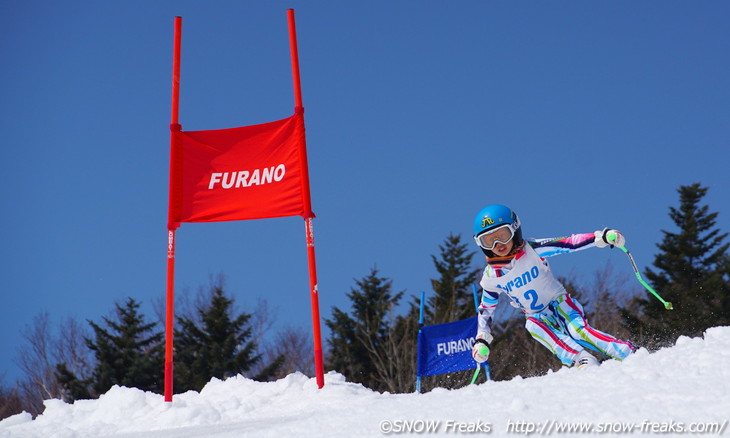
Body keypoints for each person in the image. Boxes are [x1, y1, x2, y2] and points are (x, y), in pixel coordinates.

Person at [470, 204, 636, 369]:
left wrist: (601, 237)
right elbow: (486, 309)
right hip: (536, 315)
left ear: (514, 229)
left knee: (577, 331)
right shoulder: (492, 276)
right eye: (489, 240)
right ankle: (580, 359)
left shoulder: (532, 249)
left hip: (559, 302)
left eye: (502, 235)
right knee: (532, 325)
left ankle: (625, 352)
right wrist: (482, 338)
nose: (498, 244)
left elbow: (568, 243)